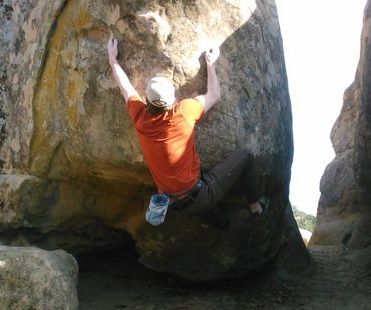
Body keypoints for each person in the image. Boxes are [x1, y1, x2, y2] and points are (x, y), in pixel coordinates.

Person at [107, 38, 268, 224]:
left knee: (212, 212)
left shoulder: (139, 117)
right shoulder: (182, 112)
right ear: (172, 100)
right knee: (245, 156)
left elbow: (125, 88)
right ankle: (255, 206)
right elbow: (214, 95)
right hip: (201, 194)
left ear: (146, 99)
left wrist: (113, 59)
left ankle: (219, 220)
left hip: (173, 205)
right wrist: (211, 64)